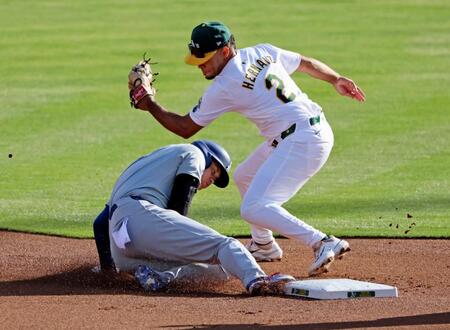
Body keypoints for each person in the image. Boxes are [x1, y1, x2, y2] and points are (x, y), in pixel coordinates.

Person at [129, 21, 365, 276]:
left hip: (302, 141)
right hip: (305, 132)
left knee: (253, 207)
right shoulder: (262, 51)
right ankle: (264, 245)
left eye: (205, 58)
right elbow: (305, 63)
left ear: (226, 52)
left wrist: (149, 103)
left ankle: (322, 241)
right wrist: (336, 79)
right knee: (244, 176)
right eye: (197, 57)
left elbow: (186, 128)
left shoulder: (225, 85)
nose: (200, 64)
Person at [92, 140, 294, 294]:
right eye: (213, 172)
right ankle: (258, 280)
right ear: (207, 157)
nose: (210, 181)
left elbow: (100, 223)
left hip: (122, 246)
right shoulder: (194, 153)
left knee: (222, 270)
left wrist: (109, 271)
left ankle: (160, 277)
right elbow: (180, 202)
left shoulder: (143, 167)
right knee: (224, 246)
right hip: (141, 217)